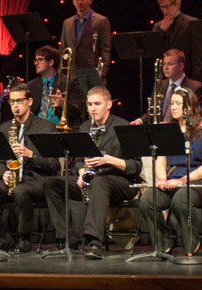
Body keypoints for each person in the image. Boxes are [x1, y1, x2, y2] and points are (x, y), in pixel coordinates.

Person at [42, 86, 142, 260]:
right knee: (52, 184)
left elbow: (135, 166)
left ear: (109, 104)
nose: (92, 109)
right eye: (89, 104)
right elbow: (79, 161)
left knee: (98, 182)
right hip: (93, 179)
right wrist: (81, 173)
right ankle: (66, 239)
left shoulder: (123, 126)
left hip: (121, 182)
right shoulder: (85, 127)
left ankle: (94, 242)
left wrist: (108, 160)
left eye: (97, 104)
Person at [0, 83, 59, 253]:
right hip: (10, 178)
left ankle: (24, 238)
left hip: (36, 179)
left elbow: (53, 164)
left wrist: (31, 155)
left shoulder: (46, 127)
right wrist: (3, 174)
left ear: (30, 101)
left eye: (19, 101)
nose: (15, 106)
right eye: (12, 102)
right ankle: (5, 236)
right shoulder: (4, 128)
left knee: (21, 192)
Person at [139, 88, 202, 254]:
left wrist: (182, 180)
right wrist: (161, 179)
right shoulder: (167, 130)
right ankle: (163, 242)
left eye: (178, 104)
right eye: (171, 103)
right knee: (147, 200)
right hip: (172, 179)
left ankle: (191, 243)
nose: (173, 107)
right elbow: (161, 161)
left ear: (189, 106)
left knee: (182, 198)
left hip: (200, 180)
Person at [130, 49, 202, 125]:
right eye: (164, 64)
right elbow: (153, 111)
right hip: (160, 131)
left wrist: (171, 124)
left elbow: (195, 116)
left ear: (181, 66)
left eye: (170, 64)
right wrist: (140, 120)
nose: (165, 68)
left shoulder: (194, 87)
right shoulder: (160, 85)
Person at [60, 0, 112, 82]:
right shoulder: (67, 23)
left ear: (90, 0)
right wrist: (62, 75)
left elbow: (106, 50)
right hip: (71, 76)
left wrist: (101, 73)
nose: (80, 2)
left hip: (92, 74)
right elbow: (63, 50)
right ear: (73, 1)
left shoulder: (101, 20)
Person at [28, 45, 84, 130]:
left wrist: (63, 104)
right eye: (35, 60)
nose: (36, 63)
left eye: (39, 59)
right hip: (36, 130)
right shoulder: (31, 85)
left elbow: (78, 111)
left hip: (59, 131)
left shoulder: (69, 82)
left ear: (50, 62)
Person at [152, 0, 202, 79]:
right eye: (162, 7)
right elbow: (154, 52)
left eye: (167, 6)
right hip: (165, 80)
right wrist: (161, 31)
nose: (165, 10)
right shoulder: (158, 27)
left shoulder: (191, 23)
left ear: (177, 4)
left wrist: (196, 82)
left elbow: (198, 57)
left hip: (186, 77)